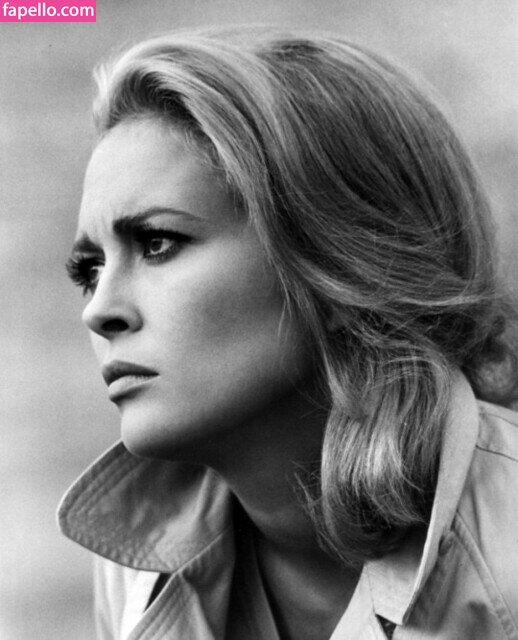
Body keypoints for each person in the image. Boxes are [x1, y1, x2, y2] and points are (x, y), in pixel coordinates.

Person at [58, 26, 518, 639]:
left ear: (341, 264)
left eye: (158, 243)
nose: (99, 310)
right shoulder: (138, 560)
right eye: (89, 271)